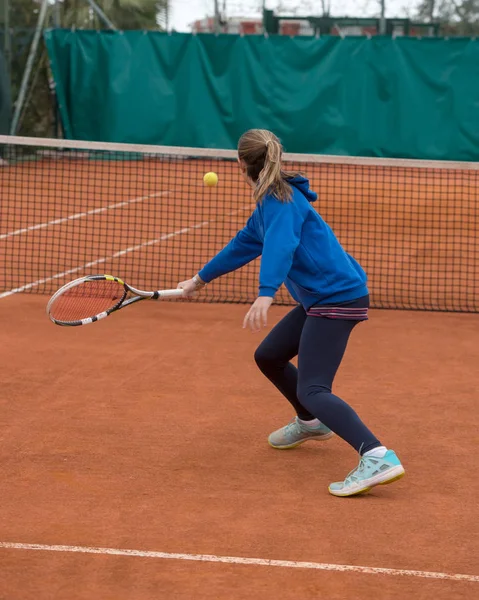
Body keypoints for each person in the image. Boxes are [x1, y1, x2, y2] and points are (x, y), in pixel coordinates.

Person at [177, 129, 404, 497]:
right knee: (269, 356)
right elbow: (244, 244)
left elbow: (281, 247)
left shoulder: (280, 201)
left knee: (313, 388)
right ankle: (311, 422)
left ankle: (377, 456)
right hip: (323, 298)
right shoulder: (271, 202)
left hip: (335, 299)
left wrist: (266, 294)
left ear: (240, 163)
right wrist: (199, 279)